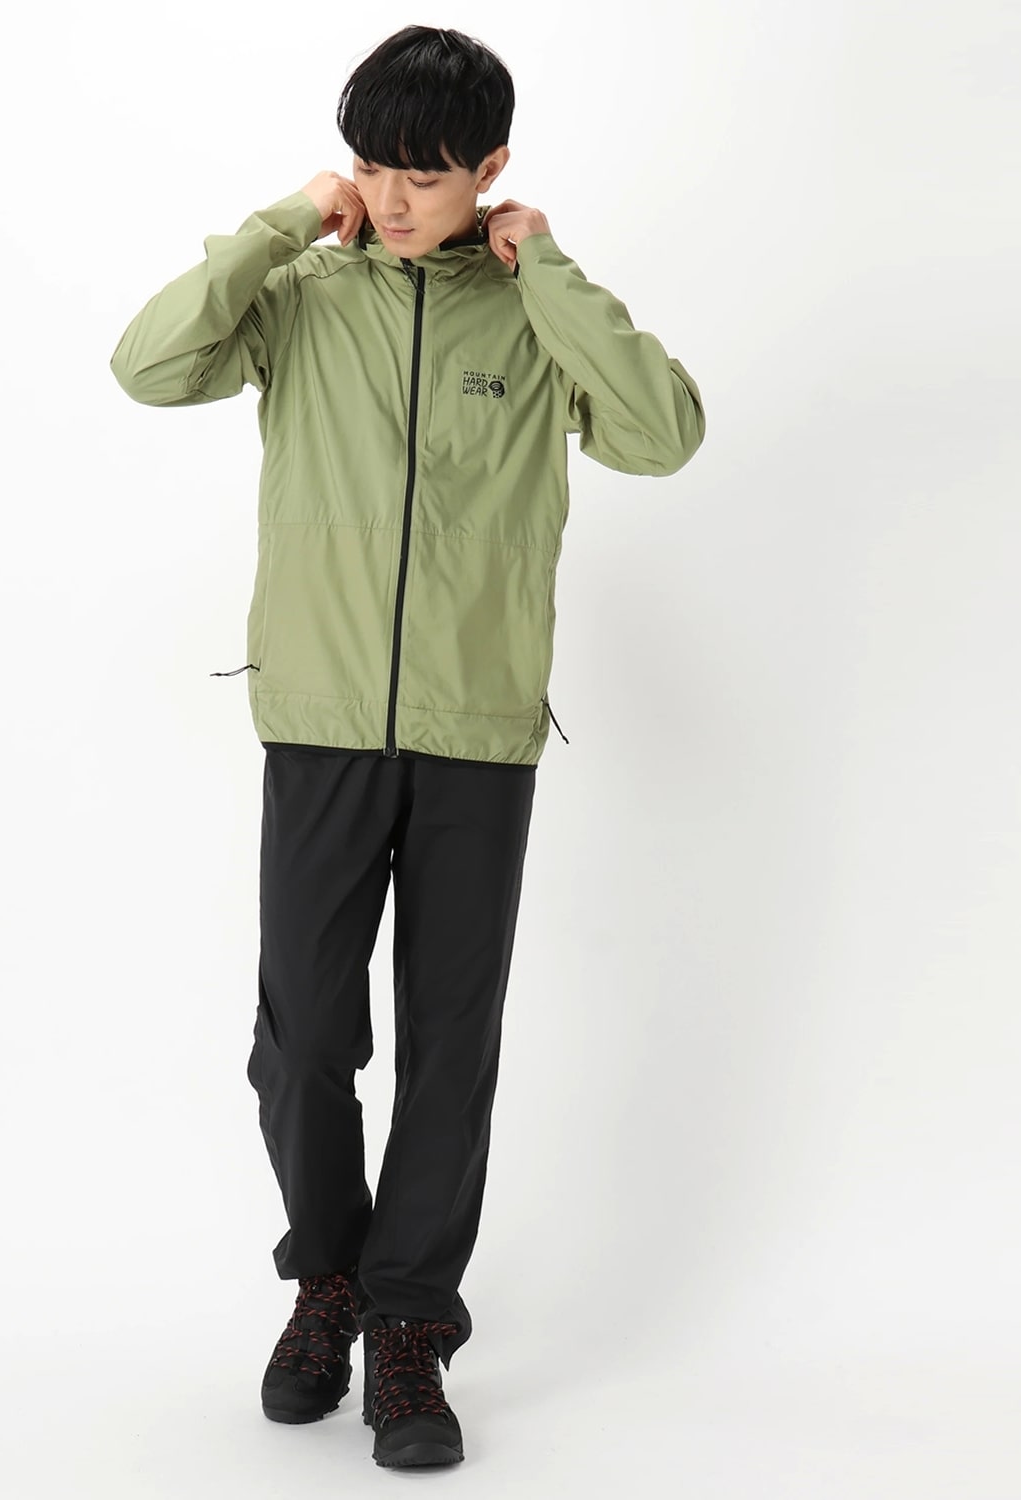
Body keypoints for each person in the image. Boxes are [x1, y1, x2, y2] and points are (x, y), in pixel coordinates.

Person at [109, 23, 705, 1469]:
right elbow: (149, 367)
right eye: (370, 167)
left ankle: (410, 1325)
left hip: (476, 731)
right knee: (305, 1037)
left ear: (489, 169)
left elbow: (660, 435)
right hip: (318, 721)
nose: (389, 197)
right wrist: (279, 221)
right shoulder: (305, 297)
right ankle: (326, 1281)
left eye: (423, 176)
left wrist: (546, 268)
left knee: (451, 1043)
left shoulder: (532, 315)